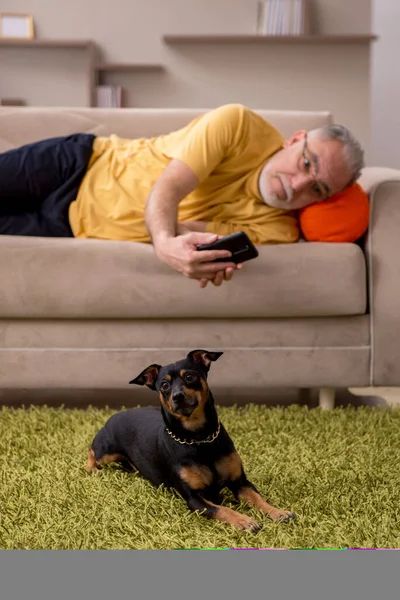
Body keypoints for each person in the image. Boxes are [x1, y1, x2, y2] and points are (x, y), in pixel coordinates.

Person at [0, 103, 364, 287]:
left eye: (317, 188)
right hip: (80, 164)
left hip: (67, 227)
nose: (298, 184)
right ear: (295, 139)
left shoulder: (277, 230)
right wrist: (163, 242)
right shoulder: (237, 124)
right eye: (305, 162)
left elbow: (191, 230)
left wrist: (189, 252)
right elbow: (169, 188)